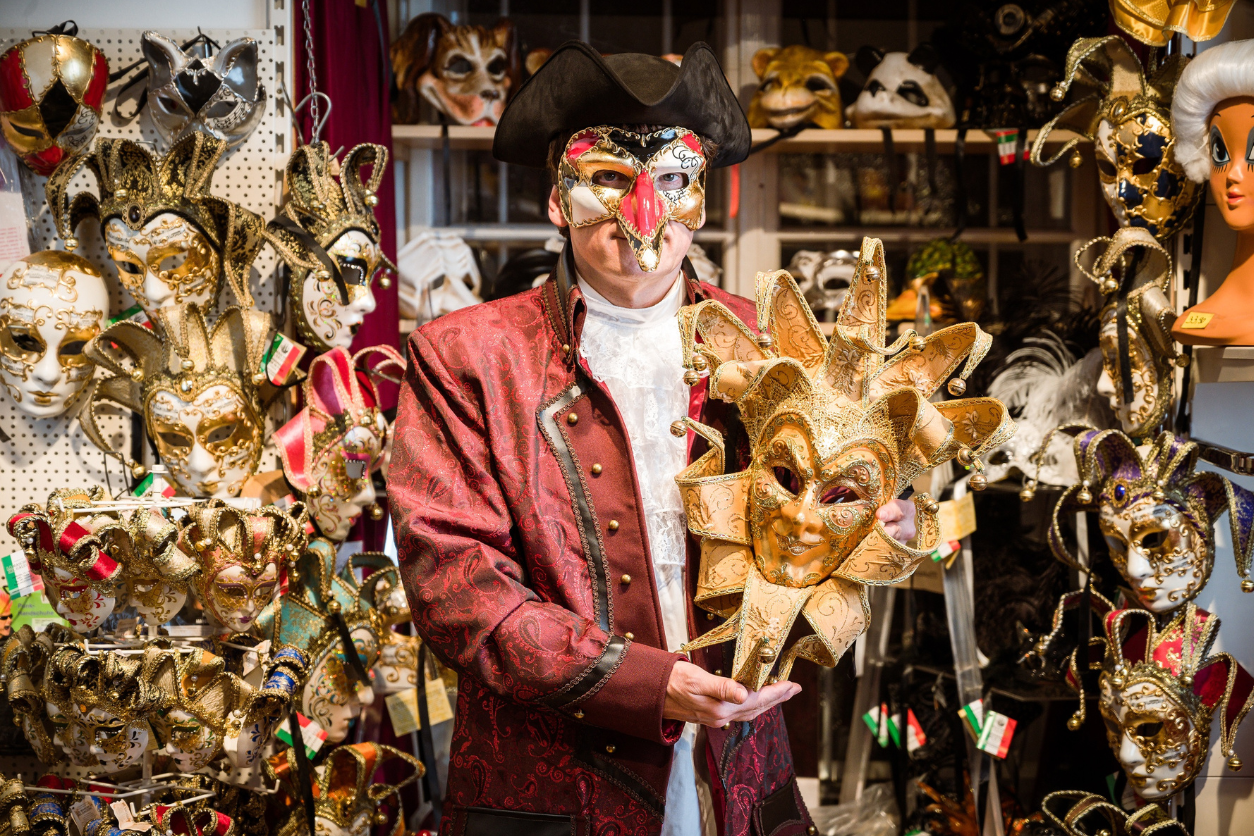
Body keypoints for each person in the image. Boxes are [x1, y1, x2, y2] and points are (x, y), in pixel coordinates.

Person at [389, 41, 917, 836]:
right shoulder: (467, 355)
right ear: (558, 200)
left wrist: (866, 528)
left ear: (700, 195)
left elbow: (835, 498)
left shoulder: (770, 340)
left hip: (738, 764)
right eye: (609, 177)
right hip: (552, 781)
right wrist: (641, 684)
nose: (644, 211)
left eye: (671, 179)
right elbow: (457, 584)